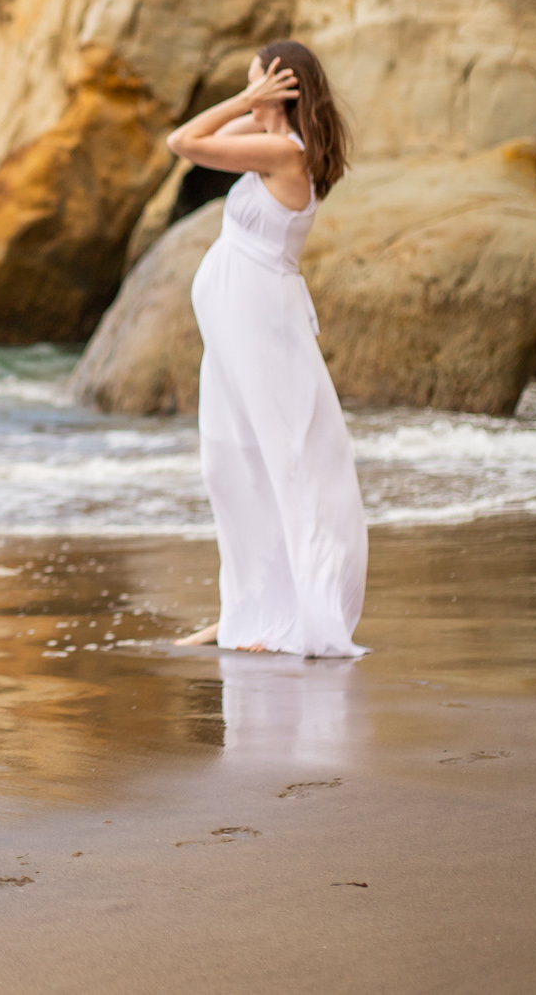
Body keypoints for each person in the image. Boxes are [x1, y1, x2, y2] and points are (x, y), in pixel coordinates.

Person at [164, 40, 368, 658]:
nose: (248, 98)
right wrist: (253, 103)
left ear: (278, 92)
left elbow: (184, 143)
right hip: (238, 324)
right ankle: (245, 614)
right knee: (229, 463)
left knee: (272, 460)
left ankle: (290, 614)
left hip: (257, 322)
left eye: (257, 86)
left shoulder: (283, 153)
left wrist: (240, 103)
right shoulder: (274, 149)